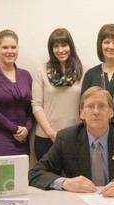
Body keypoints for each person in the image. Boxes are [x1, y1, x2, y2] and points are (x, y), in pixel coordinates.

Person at [29, 86, 114, 197]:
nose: (96, 111)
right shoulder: (66, 138)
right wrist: (65, 183)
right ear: (82, 114)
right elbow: (35, 174)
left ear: (111, 112)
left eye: (102, 106)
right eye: (90, 106)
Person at [32, 28, 86, 160]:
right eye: (56, 46)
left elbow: (87, 105)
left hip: (76, 138)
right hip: (46, 137)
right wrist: (51, 134)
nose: (60, 50)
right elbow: (36, 105)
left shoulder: (84, 70)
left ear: (71, 46)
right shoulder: (42, 71)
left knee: (75, 180)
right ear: (51, 49)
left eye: (64, 45)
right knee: (47, 180)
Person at [0, 29, 33, 156]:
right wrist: (15, 129)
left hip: (22, 139)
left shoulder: (26, 75)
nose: (10, 51)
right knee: (3, 176)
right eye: (5, 47)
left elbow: (31, 107)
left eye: (13, 47)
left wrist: (27, 129)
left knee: (22, 175)